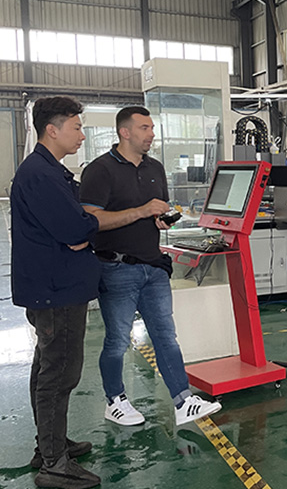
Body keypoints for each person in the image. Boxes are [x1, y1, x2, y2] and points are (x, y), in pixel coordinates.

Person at [79, 105, 221, 427]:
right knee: (117, 340)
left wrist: (160, 218)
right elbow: (91, 220)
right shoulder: (100, 170)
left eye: (152, 128)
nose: (151, 134)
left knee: (166, 336)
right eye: (145, 128)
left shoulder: (154, 167)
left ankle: (183, 401)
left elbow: (156, 212)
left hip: (153, 267)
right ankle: (114, 400)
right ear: (125, 132)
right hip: (116, 269)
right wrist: (142, 211)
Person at [10, 96, 101, 489]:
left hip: (51, 286)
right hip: (56, 290)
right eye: (76, 127)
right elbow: (75, 229)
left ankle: (49, 445)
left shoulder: (48, 171)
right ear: (52, 129)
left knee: (47, 367)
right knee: (59, 374)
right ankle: (54, 464)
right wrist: (87, 229)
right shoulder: (41, 175)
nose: (82, 135)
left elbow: (76, 225)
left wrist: (82, 228)